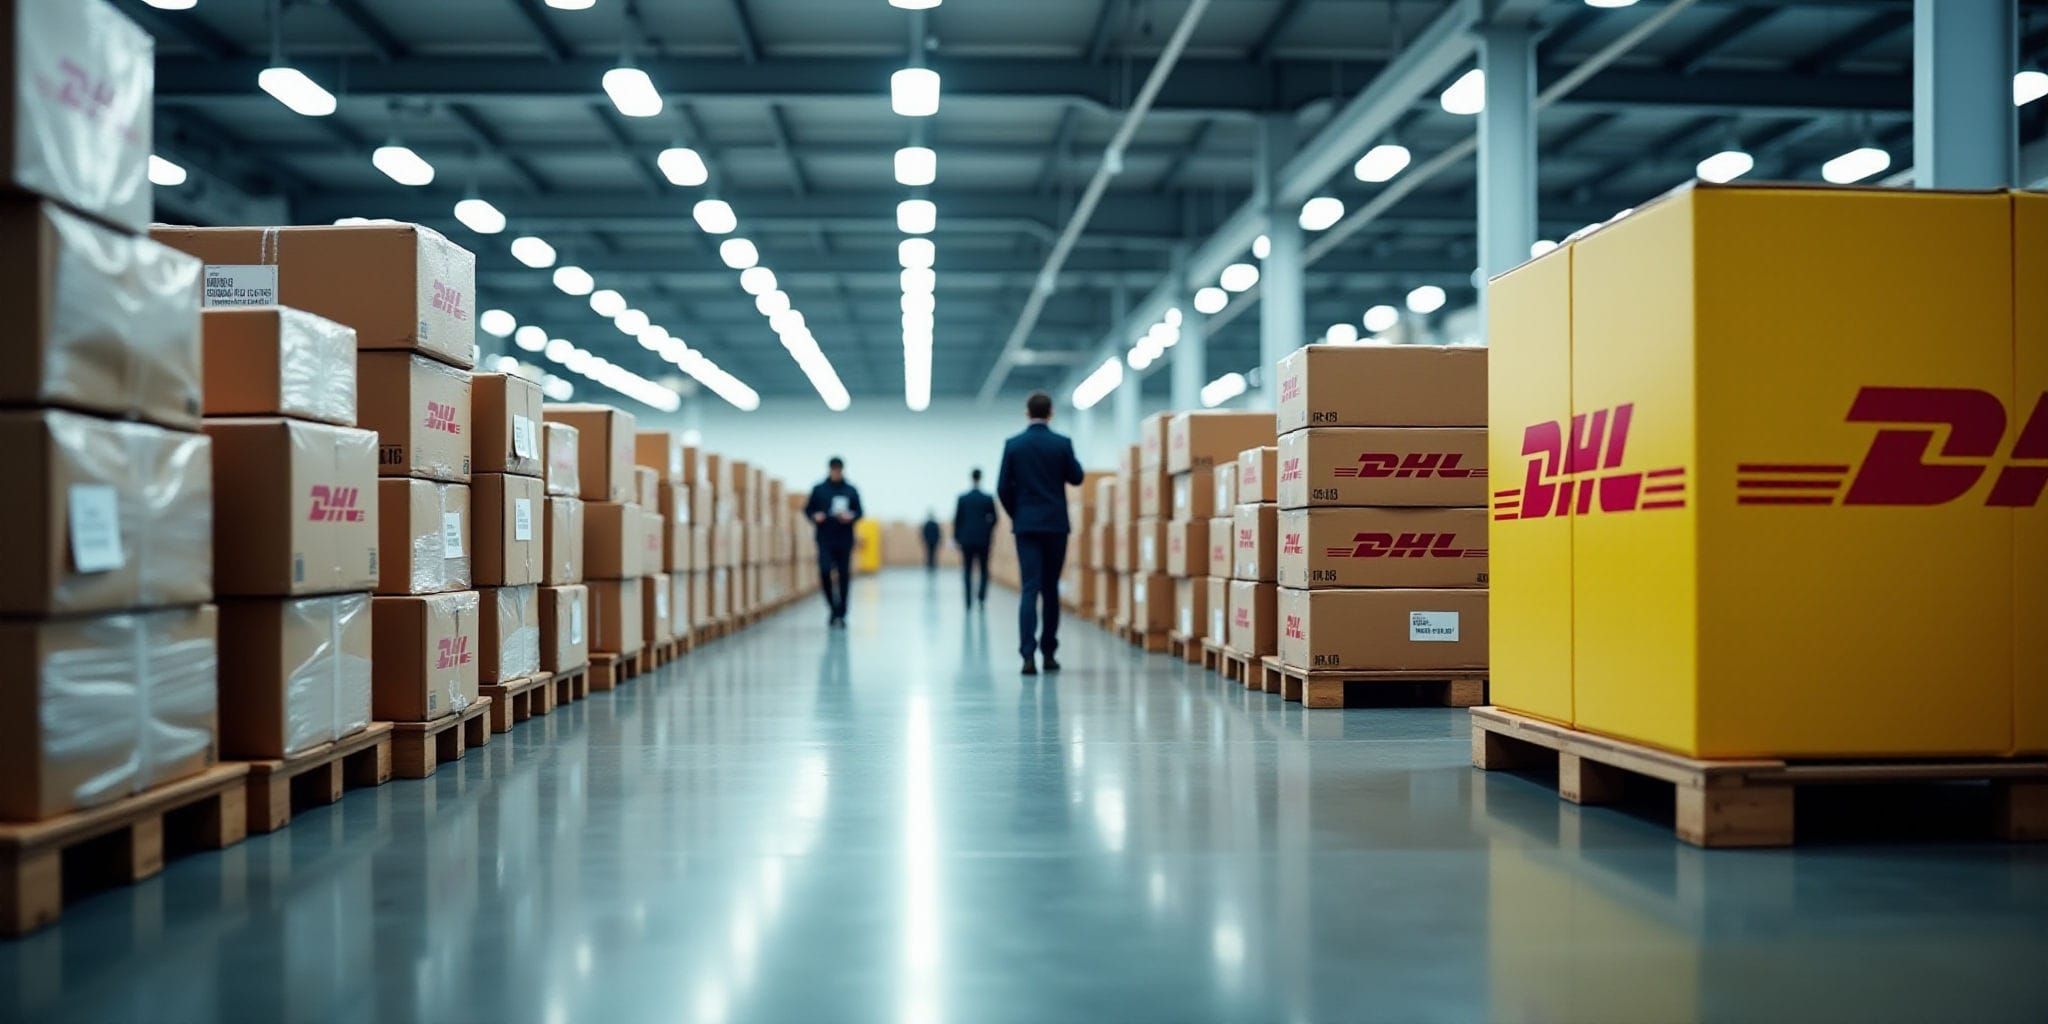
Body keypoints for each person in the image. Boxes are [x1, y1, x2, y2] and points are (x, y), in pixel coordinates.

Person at [996, 391, 1085, 675]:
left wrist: (1018, 514)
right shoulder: (1061, 444)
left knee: (1029, 588)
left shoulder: (1013, 445)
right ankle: (1049, 653)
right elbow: (1077, 477)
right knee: (1050, 590)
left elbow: (1002, 488)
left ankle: (1027, 656)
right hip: (1055, 526)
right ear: (1051, 413)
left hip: (1026, 526)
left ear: (1027, 412)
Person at [804, 456, 863, 627]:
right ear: (829, 469)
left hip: (844, 539)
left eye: (839, 469)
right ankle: (833, 608)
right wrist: (815, 516)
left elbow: (860, 512)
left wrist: (850, 516)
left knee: (844, 576)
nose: (836, 472)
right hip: (825, 539)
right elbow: (808, 510)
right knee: (824, 572)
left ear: (842, 470)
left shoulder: (851, 490)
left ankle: (842, 613)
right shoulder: (819, 489)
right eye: (834, 469)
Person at [952, 468, 998, 607]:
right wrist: (987, 530)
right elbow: (995, 518)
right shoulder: (987, 498)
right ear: (981, 478)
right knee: (984, 569)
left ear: (971, 478)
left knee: (967, 570)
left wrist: (957, 538)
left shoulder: (963, 499)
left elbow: (957, 520)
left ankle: (968, 600)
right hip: (983, 540)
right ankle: (981, 597)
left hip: (966, 540)